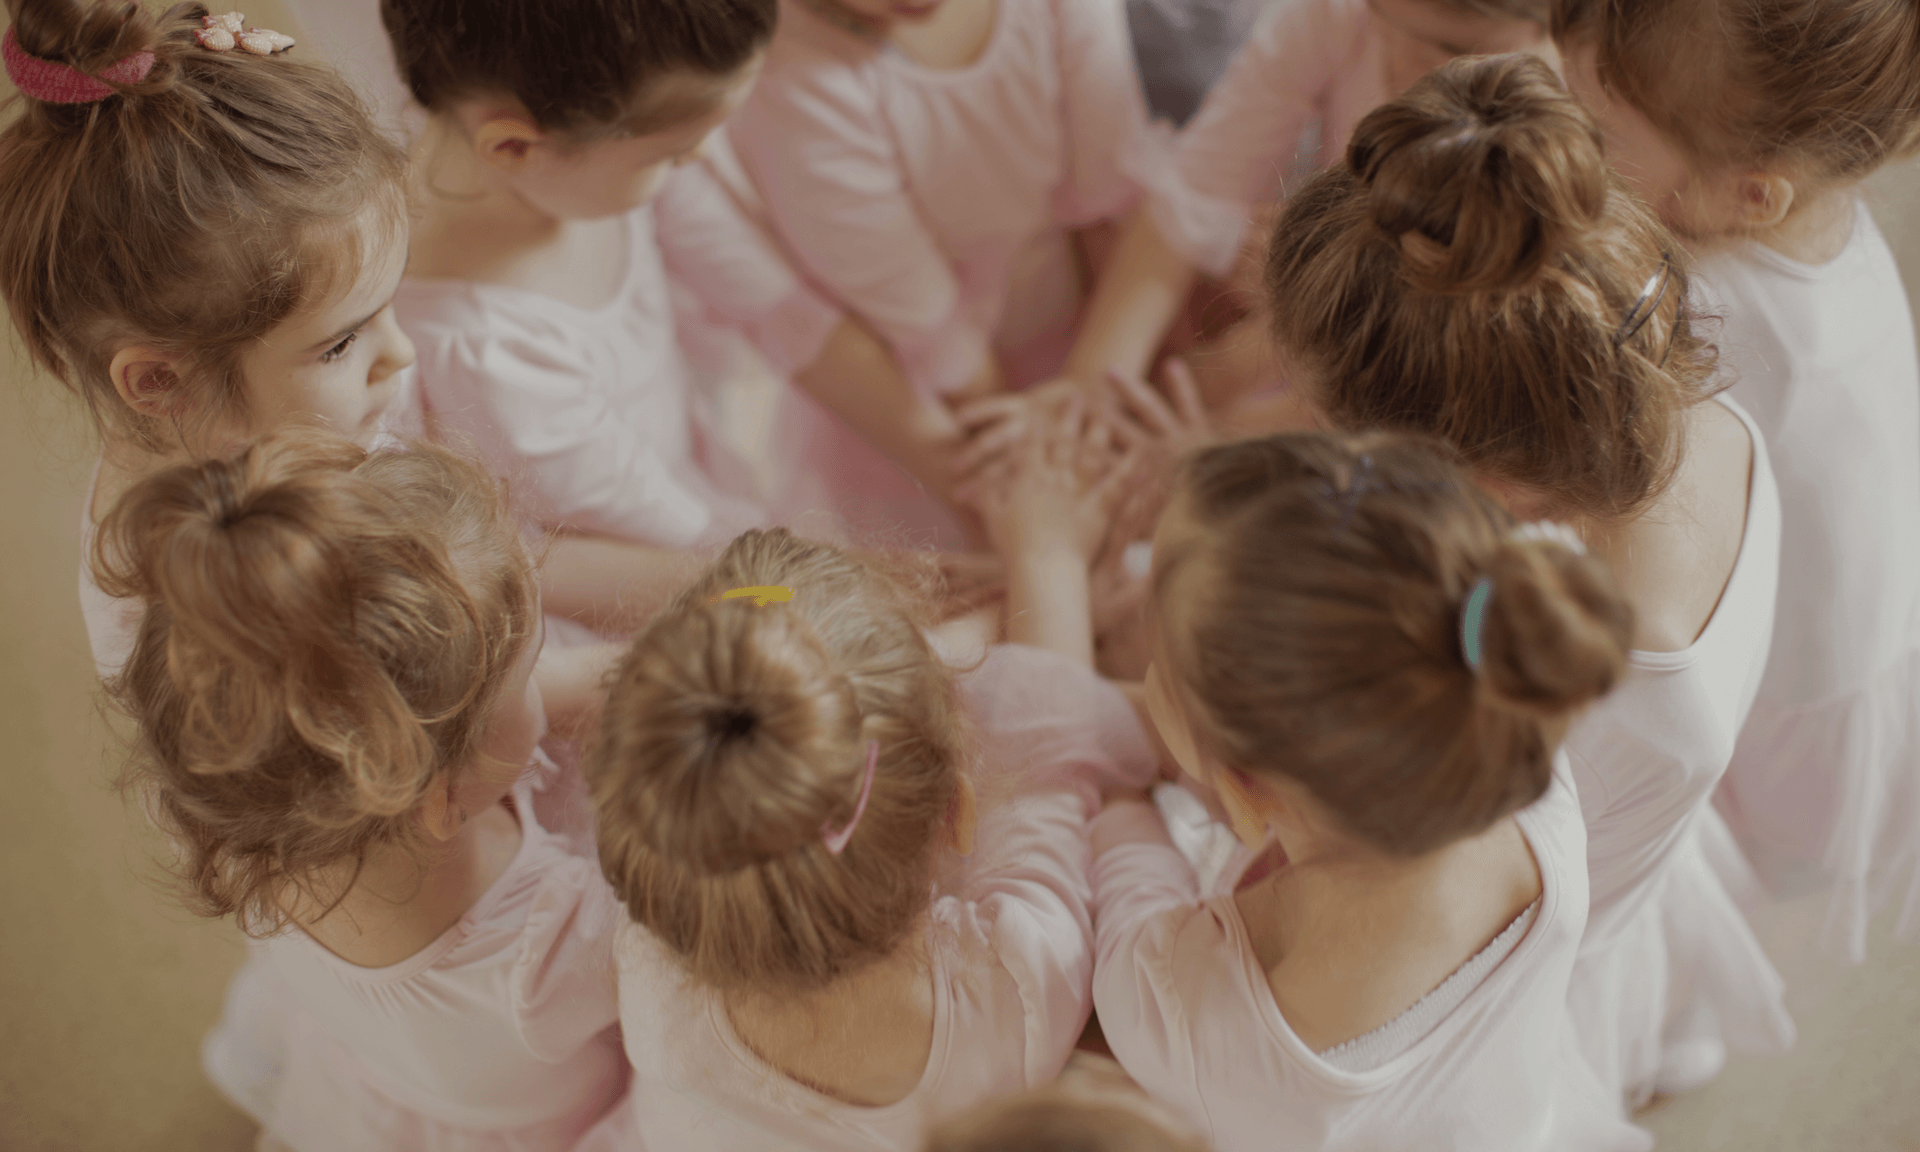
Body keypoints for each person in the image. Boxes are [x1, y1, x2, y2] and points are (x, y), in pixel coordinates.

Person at [577, 407, 1155, 1151]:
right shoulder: (1020, 982)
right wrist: (1046, 559)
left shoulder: (652, 954)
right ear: (959, 810)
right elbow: (1051, 765)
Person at [1094, 431, 1645, 1152]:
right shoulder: (1518, 750)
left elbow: (1128, 920)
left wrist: (1119, 809)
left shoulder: (1187, 1002)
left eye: (1155, 650)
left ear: (1248, 796)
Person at [95, 429, 627, 1151]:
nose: (546, 675)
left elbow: (558, 701)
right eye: (528, 670)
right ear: (441, 796)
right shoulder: (551, 944)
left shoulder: (243, 803)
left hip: (379, 1071)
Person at [1558, 0, 1920, 965]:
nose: (1573, 153)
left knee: (1644, 860)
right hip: (1851, 643)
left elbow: (1591, 457)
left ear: (1748, 195)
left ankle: (1675, 1008)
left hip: (1789, 708)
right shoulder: (1823, 217)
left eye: (1596, 135)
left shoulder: (1715, 309)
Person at [0, 0, 414, 679]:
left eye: (389, 305)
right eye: (342, 345)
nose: (402, 354)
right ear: (163, 382)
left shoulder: (251, 426)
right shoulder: (214, 623)